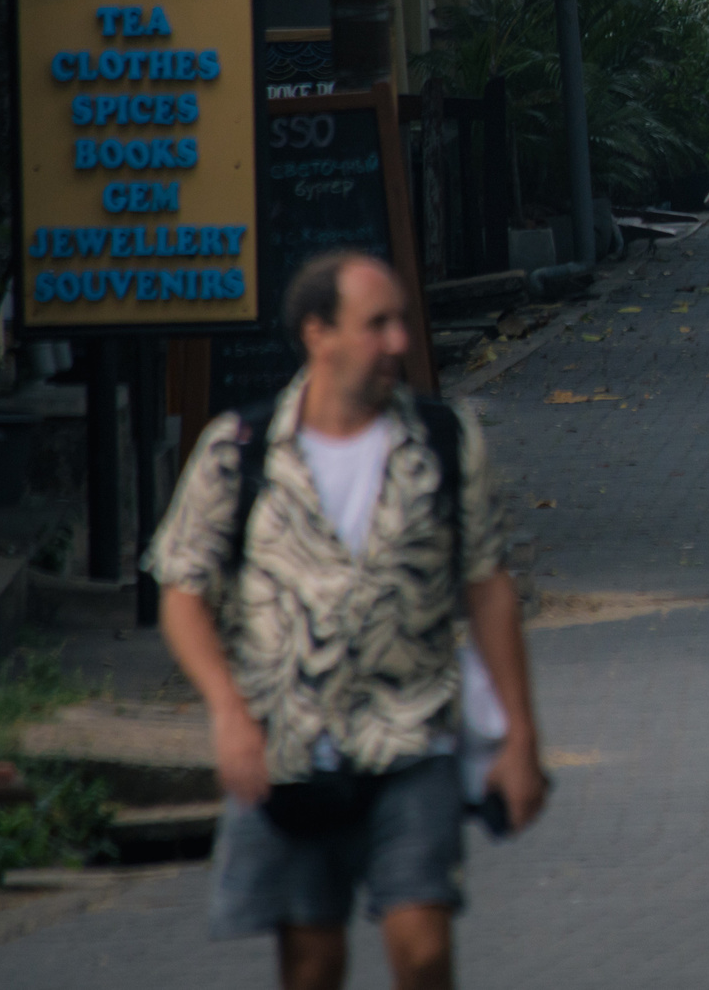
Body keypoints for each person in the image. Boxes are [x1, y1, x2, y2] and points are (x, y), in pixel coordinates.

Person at [150, 251, 545, 990]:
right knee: (312, 960)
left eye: (400, 320)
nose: (399, 339)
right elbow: (182, 590)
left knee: (423, 945)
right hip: (290, 742)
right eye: (377, 324)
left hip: (412, 731)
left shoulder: (442, 440)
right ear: (317, 333)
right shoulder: (241, 450)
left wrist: (520, 735)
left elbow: (488, 587)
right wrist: (228, 711)